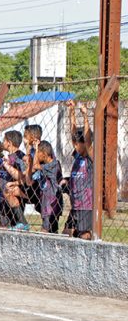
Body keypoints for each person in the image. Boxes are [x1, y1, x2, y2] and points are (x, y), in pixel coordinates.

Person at [64, 101, 93, 240]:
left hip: (86, 205)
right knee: (66, 232)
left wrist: (86, 116)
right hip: (76, 204)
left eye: (77, 143)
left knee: (84, 235)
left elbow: (87, 141)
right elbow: (73, 133)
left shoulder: (89, 158)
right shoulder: (77, 155)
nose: (74, 146)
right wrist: (72, 112)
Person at [28, 140, 63, 234]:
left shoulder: (53, 165)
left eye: (37, 153)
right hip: (48, 204)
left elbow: (35, 166)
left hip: (51, 205)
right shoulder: (46, 164)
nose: (36, 155)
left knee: (45, 231)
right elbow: (32, 170)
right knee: (53, 231)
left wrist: (35, 149)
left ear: (44, 154)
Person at [0, 130, 29, 230]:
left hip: (17, 195)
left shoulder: (20, 156)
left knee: (13, 225)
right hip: (6, 197)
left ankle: (22, 221)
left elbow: (23, 176)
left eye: (4, 140)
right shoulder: (10, 157)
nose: (3, 143)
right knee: (4, 226)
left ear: (9, 143)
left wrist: (7, 166)